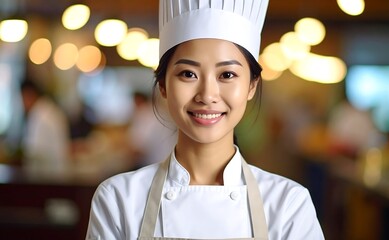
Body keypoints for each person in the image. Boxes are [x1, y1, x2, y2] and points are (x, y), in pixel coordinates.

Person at [86, 0, 324, 239]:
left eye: (227, 75)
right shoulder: (118, 199)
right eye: (188, 74)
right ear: (163, 86)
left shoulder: (288, 205)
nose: (207, 95)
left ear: (252, 86)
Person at [20, 79, 70, 176]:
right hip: (58, 173)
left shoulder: (39, 115)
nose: (23, 104)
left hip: (46, 176)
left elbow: (33, 150)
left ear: (29, 94)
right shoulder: (50, 109)